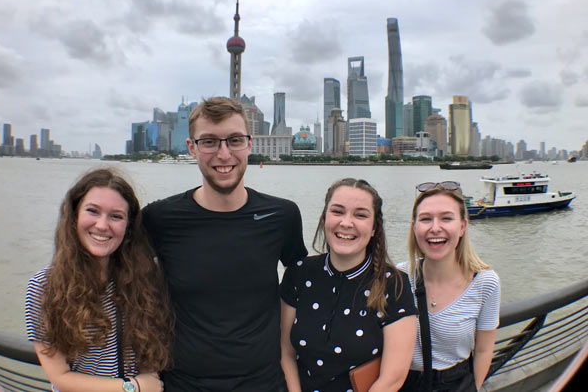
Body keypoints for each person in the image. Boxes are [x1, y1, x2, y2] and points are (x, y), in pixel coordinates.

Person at [141, 97, 308, 392]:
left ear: (249, 144)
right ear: (191, 147)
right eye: (209, 142)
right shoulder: (159, 218)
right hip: (182, 383)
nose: (223, 153)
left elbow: (303, 286)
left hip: (265, 383)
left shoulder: (282, 216)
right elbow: (125, 283)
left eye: (234, 140)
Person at [25, 168, 173, 392]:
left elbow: (151, 354)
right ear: (74, 215)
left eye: (116, 216)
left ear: (128, 227)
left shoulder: (144, 279)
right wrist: (132, 388)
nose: (102, 225)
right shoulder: (45, 287)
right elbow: (60, 377)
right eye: (93, 211)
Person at [280, 178, 417, 392]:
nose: (346, 223)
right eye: (337, 212)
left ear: (374, 228)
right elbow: (285, 352)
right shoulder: (299, 273)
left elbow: (393, 376)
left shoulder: (394, 284)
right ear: (324, 218)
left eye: (360, 215)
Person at [398, 181, 501, 392]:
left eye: (446, 218)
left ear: (462, 226)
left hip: (457, 383)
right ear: (414, 227)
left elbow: (483, 349)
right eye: (426, 219)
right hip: (404, 382)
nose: (435, 228)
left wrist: (474, 388)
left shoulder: (485, 283)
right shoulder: (400, 276)